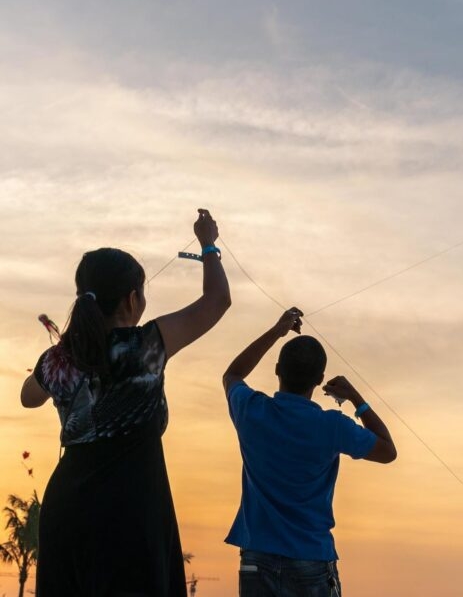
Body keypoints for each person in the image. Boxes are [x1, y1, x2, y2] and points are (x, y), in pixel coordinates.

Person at [21, 209, 231, 597]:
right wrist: (208, 244)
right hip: (132, 511)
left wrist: (64, 355)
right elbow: (217, 300)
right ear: (132, 300)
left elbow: (27, 396)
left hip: (67, 509)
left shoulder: (58, 360)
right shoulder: (147, 345)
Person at [222, 308, 396, 597]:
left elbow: (233, 374)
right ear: (320, 379)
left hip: (256, 558)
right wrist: (355, 397)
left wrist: (277, 330)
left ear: (277, 370)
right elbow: (387, 450)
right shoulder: (332, 426)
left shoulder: (252, 410)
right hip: (311, 561)